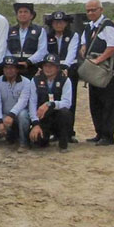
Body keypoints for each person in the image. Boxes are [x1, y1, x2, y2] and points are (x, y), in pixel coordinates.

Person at [80, 0, 114, 146]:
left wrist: (99, 60)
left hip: (104, 70)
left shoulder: (107, 26)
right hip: (93, 70)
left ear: (101, 10)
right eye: (88, 10)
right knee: (95, 103)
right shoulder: (89, 27)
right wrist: (83, 47)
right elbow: (84, 42)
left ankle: (108, 136)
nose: (91, 13)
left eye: (94, 10)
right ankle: (99, 132)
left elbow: (113, 45)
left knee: (107, 103)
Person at [21, 53, 74, 153]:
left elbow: (67, 103)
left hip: (58, 116)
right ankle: (44, 137)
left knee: (65, 113)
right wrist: (35, 124)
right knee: (38, 141)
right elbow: (32, 103)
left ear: (57, 68)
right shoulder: (35, 80)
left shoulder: (65, 80)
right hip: (43, 117)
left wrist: (50, 104)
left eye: (51, 66)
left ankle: (63, 143)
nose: (48, 69)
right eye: (45, 66)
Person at [45, 11, 80, 143]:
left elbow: (72, 53)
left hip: (68, 70)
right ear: (51, 24)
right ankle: (55, 132)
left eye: (61, 22)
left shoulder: (73, 35)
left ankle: (69, 132)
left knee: (69, 102)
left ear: (66, 23)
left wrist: (63, 67)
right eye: (55, 22)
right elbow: (46, 52)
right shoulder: (48, 36)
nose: (58, 24)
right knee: (52, 99)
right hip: (50, 70)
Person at [0, 56, 32, 150]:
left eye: (12, 67)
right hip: (5, 114)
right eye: (6, 68)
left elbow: (23, 101)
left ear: (17, 69)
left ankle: (24, 142)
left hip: (19, 114)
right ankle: (10, 137)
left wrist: (12, 114)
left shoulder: (26, 82)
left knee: (23, 115)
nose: (9, 70)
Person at [6, 3, 48, 78]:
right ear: (16, 15)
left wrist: (28, 62)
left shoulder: (39, 30)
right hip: (13, 68)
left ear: (31, 15)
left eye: (25, 12)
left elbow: (42, 50)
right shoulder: (9, 31)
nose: (23, 14)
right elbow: (6, 48)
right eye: (20, 12)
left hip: (33, 67)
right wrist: (12, 61)